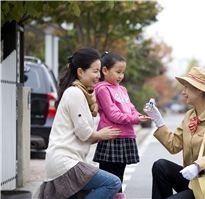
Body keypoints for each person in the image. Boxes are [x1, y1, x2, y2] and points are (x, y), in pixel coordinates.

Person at [39, 48, 122, 199]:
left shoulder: (83, 94)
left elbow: (83, 133)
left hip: (68, 161)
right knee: (113, 183)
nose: (99, 76)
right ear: (80, 72)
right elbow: (84, 133)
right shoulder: (75, 93)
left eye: (99, 71)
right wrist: (101, 135)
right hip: (65, 162)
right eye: (95, 71)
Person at [143, 67, 205, 199]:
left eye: (186, 87)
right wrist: (158, 121)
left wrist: (198, 166)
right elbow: (174, 146)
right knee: (160, 166)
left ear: (199, 90)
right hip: (193, 181)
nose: (183, 92)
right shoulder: (189, 116)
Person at [93, 52, 151, 199]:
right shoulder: (102, 89)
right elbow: (113, 114)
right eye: (117, 72)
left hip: (125, 137)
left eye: (122, 73)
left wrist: (139, 115)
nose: (120, 76)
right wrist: (135, 119)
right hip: (112, 137)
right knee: (110, 179)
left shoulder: (122, 89)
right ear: (105, 70)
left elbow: (130, 108)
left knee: (119, 177)